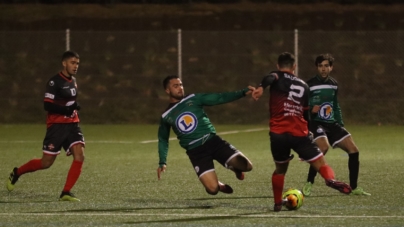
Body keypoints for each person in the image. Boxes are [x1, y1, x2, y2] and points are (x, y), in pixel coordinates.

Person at [251, 52, 352, 212]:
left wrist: (261, 87)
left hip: (278, 135)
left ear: (278, 66)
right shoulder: (304, 86)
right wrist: (309, 131)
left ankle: (278, 203)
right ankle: (330, 179)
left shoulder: (276, 76)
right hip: (299, 133)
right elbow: (306, 114)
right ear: (294, 67)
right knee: (320, 163)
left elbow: (269, 78)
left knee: (280, 170)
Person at [6, 50, 84, 202]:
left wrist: (73, 107)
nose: (75, 66)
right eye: (72, 63)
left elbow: (69, 102)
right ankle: (17, 172)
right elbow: (47, 105)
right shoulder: (54, 82)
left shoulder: (73, 81)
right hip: (56, 126)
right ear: (64, 63)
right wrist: (66, 109)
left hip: (72, 124)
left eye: (77, 64)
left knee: (80, 155)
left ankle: (66, 192)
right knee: (46, 163)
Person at [157, 75, 253, 195]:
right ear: (167, 90)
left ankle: (235, 168)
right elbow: (163, 139)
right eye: (175, 86)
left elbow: (219, 98)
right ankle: (219, 184)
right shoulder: (166, 115)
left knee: (247, 166)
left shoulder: (193, 98)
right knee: (212, 190)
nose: (180, 88)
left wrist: (242, 93)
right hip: (196, 152)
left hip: (213, 142)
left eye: (181, 85)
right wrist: (162, 162)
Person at [302, 54, 370, 196]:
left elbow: (335, 104)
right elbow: (301, 105)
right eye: (320, 66)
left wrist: (340, 122)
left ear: (331, 67)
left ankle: (354, 187)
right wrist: (310, 107)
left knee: (354, 150)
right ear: (317, 67)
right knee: (322, 148)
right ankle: (309, 182)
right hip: (316, 122)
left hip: (331, 123)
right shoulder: (309, 85)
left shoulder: (334, 84)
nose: (323, 69)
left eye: (326, 66)